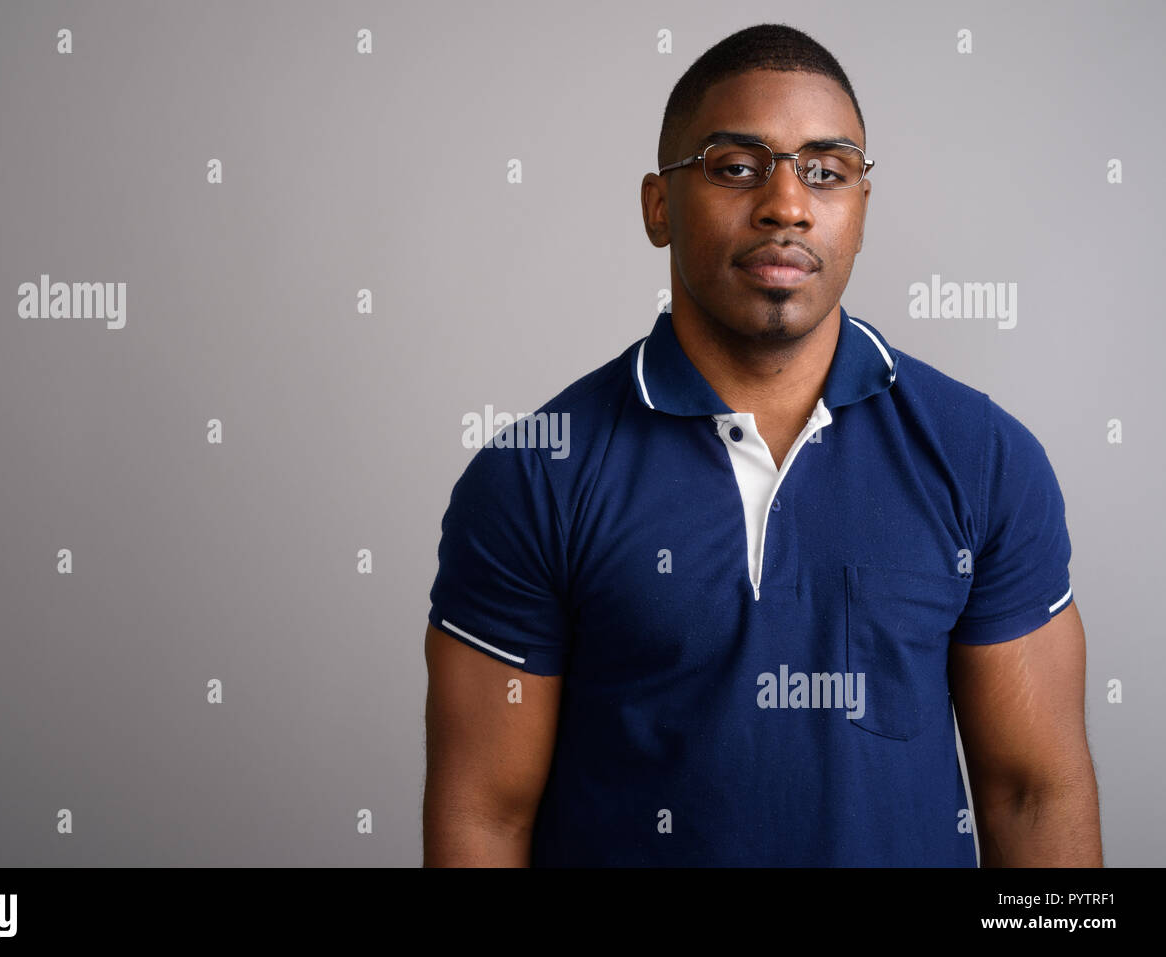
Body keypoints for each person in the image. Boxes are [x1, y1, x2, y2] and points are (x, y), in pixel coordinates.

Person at [422, 22, 1101, 866]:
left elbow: (1033, 796)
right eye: (736, 166)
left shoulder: (984, 457)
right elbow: (485, 817)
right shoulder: (534, 475)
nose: (787, 203)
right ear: (658, 205)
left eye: (827, 170)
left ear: (859, 207)